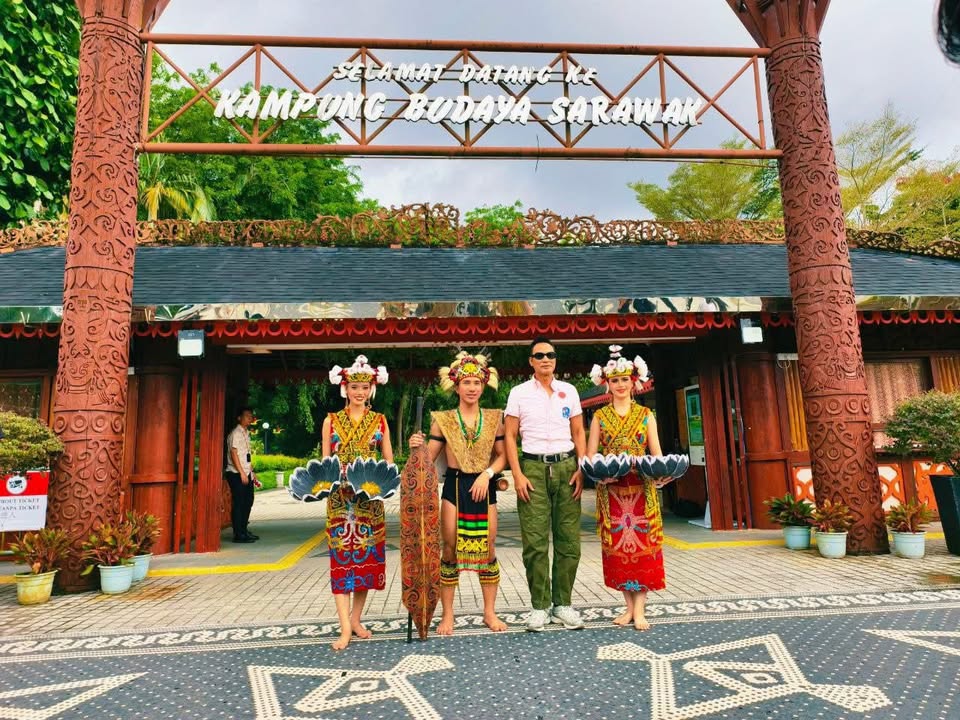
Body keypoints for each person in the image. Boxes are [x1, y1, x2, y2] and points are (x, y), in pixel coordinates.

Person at [409, 351, 509, 635]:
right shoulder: (443, 420)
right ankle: (448, 614)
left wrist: (487, 474)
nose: (472, 388)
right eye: (466, 382)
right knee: (450, 548)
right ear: (456, 387)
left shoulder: (495, 418)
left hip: (484, 484)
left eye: (476, 382)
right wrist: (416, 446)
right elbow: (427, 459)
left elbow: (503, 456)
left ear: (483, 385)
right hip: (454, 486)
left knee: (488, 548)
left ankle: (489, 612)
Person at [504, 337, 587, 632]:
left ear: (555, 359)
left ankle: (562, 604)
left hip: (567, 467)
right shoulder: (519, 393)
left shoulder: (569, 391)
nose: (545, 360)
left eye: (550, 355)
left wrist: (582, 468)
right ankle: (539, 606)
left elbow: (578, 432)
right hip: (533, 468)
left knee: (569, 540)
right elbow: (510, 436)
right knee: (535, 541)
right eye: (539, 356)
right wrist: (517, 474)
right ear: (531, 361)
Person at [586, 345, 665, 631]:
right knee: (619, 550)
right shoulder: (599, 416)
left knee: (643, 548)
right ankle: (628, 607)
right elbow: (591, 456)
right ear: (607, 383)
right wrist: (599, 476)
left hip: (642, 489)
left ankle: (640, 609)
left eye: (624, 379)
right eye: (615, 380)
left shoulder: (646, 414)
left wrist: (662, 475)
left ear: (634, 381)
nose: (620, 385)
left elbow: (656, 454)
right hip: (612, 493)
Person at [322, 354, 394, 651]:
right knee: (341, 563)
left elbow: (388, 461)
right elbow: (325, 462)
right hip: (340, 502)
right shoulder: (331, 420)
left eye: (365, 388)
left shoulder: (380, 421)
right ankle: (344, 629)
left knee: (365, 563)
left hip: (370, 501)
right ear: (345, 389)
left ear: (371, 389)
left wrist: (385, 483)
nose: (359, 393)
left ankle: (355, 619)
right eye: (354, 387)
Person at [224, 406, 259, 543]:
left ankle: (244, 530)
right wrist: (242, 473)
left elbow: (246, 455)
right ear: (239, 418)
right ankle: (238, 534)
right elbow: (234, 453)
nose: (250, 418)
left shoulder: (246, 433)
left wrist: (251, 472)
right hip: (236, 473)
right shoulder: (236, 433)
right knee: (239, 502)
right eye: (247, 416)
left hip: (246, 472)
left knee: (248, 501)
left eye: (251, 416)